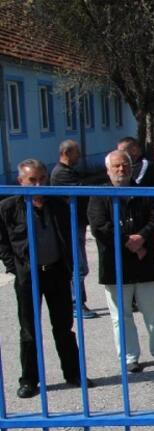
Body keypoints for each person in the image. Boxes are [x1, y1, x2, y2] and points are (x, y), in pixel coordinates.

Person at [0, 159, 90, 398]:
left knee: (63, 326)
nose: (38, 184)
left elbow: (71, 237)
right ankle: (29, 380)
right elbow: (3, 242)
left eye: (42, 178)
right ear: (21, 182)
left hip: (56, 273)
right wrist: (13, 266)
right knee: (29, 330)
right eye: (32, 180)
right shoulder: (8, 207)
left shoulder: (59, 205)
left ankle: (73, 373)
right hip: (28, 276)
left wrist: (69, 266)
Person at [88, 150, 154, 373]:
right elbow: (99, 226)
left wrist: (142, 238)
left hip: (145, 262)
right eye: (116, 166)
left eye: (124, 165)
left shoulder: (144, 191)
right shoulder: (99, 195)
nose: (121, 170)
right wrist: (129, 242)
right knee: (121, 317)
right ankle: (129, 357)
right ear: (108, 170)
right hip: (115, 264)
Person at [49, 139, 98, 319]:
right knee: (79, 266)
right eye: (76, 152)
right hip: (69, 224)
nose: (79, 155)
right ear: (66, 153)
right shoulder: (60, 174)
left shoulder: (68, 171)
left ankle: (77, 302)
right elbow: (81, 190)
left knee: (80, 265)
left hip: (76, 222)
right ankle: (76, 303)